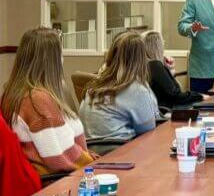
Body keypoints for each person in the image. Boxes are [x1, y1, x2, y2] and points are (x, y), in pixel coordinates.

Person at [1, 27, 95, 174]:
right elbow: (60, 157)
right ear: (52, 61)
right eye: (60, 54)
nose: (62, 59)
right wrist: (96, 163)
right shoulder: (37, 99)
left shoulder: (17, 91)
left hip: (63, 173)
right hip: (58, 180)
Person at [79, 31, 160, 141]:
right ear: (141, 59)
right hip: (120, 149)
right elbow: (148, 130)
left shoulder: (94, 85)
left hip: (91, 149)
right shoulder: (137, 90)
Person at [142, 31, 208, 109]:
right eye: (163, 43)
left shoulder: (147, 65)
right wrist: (199, 96)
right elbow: (175, 95)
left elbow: (173, 90)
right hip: (167, 110)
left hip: (164, 108)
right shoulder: (155, 65)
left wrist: (169, 70)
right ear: (158, 47)